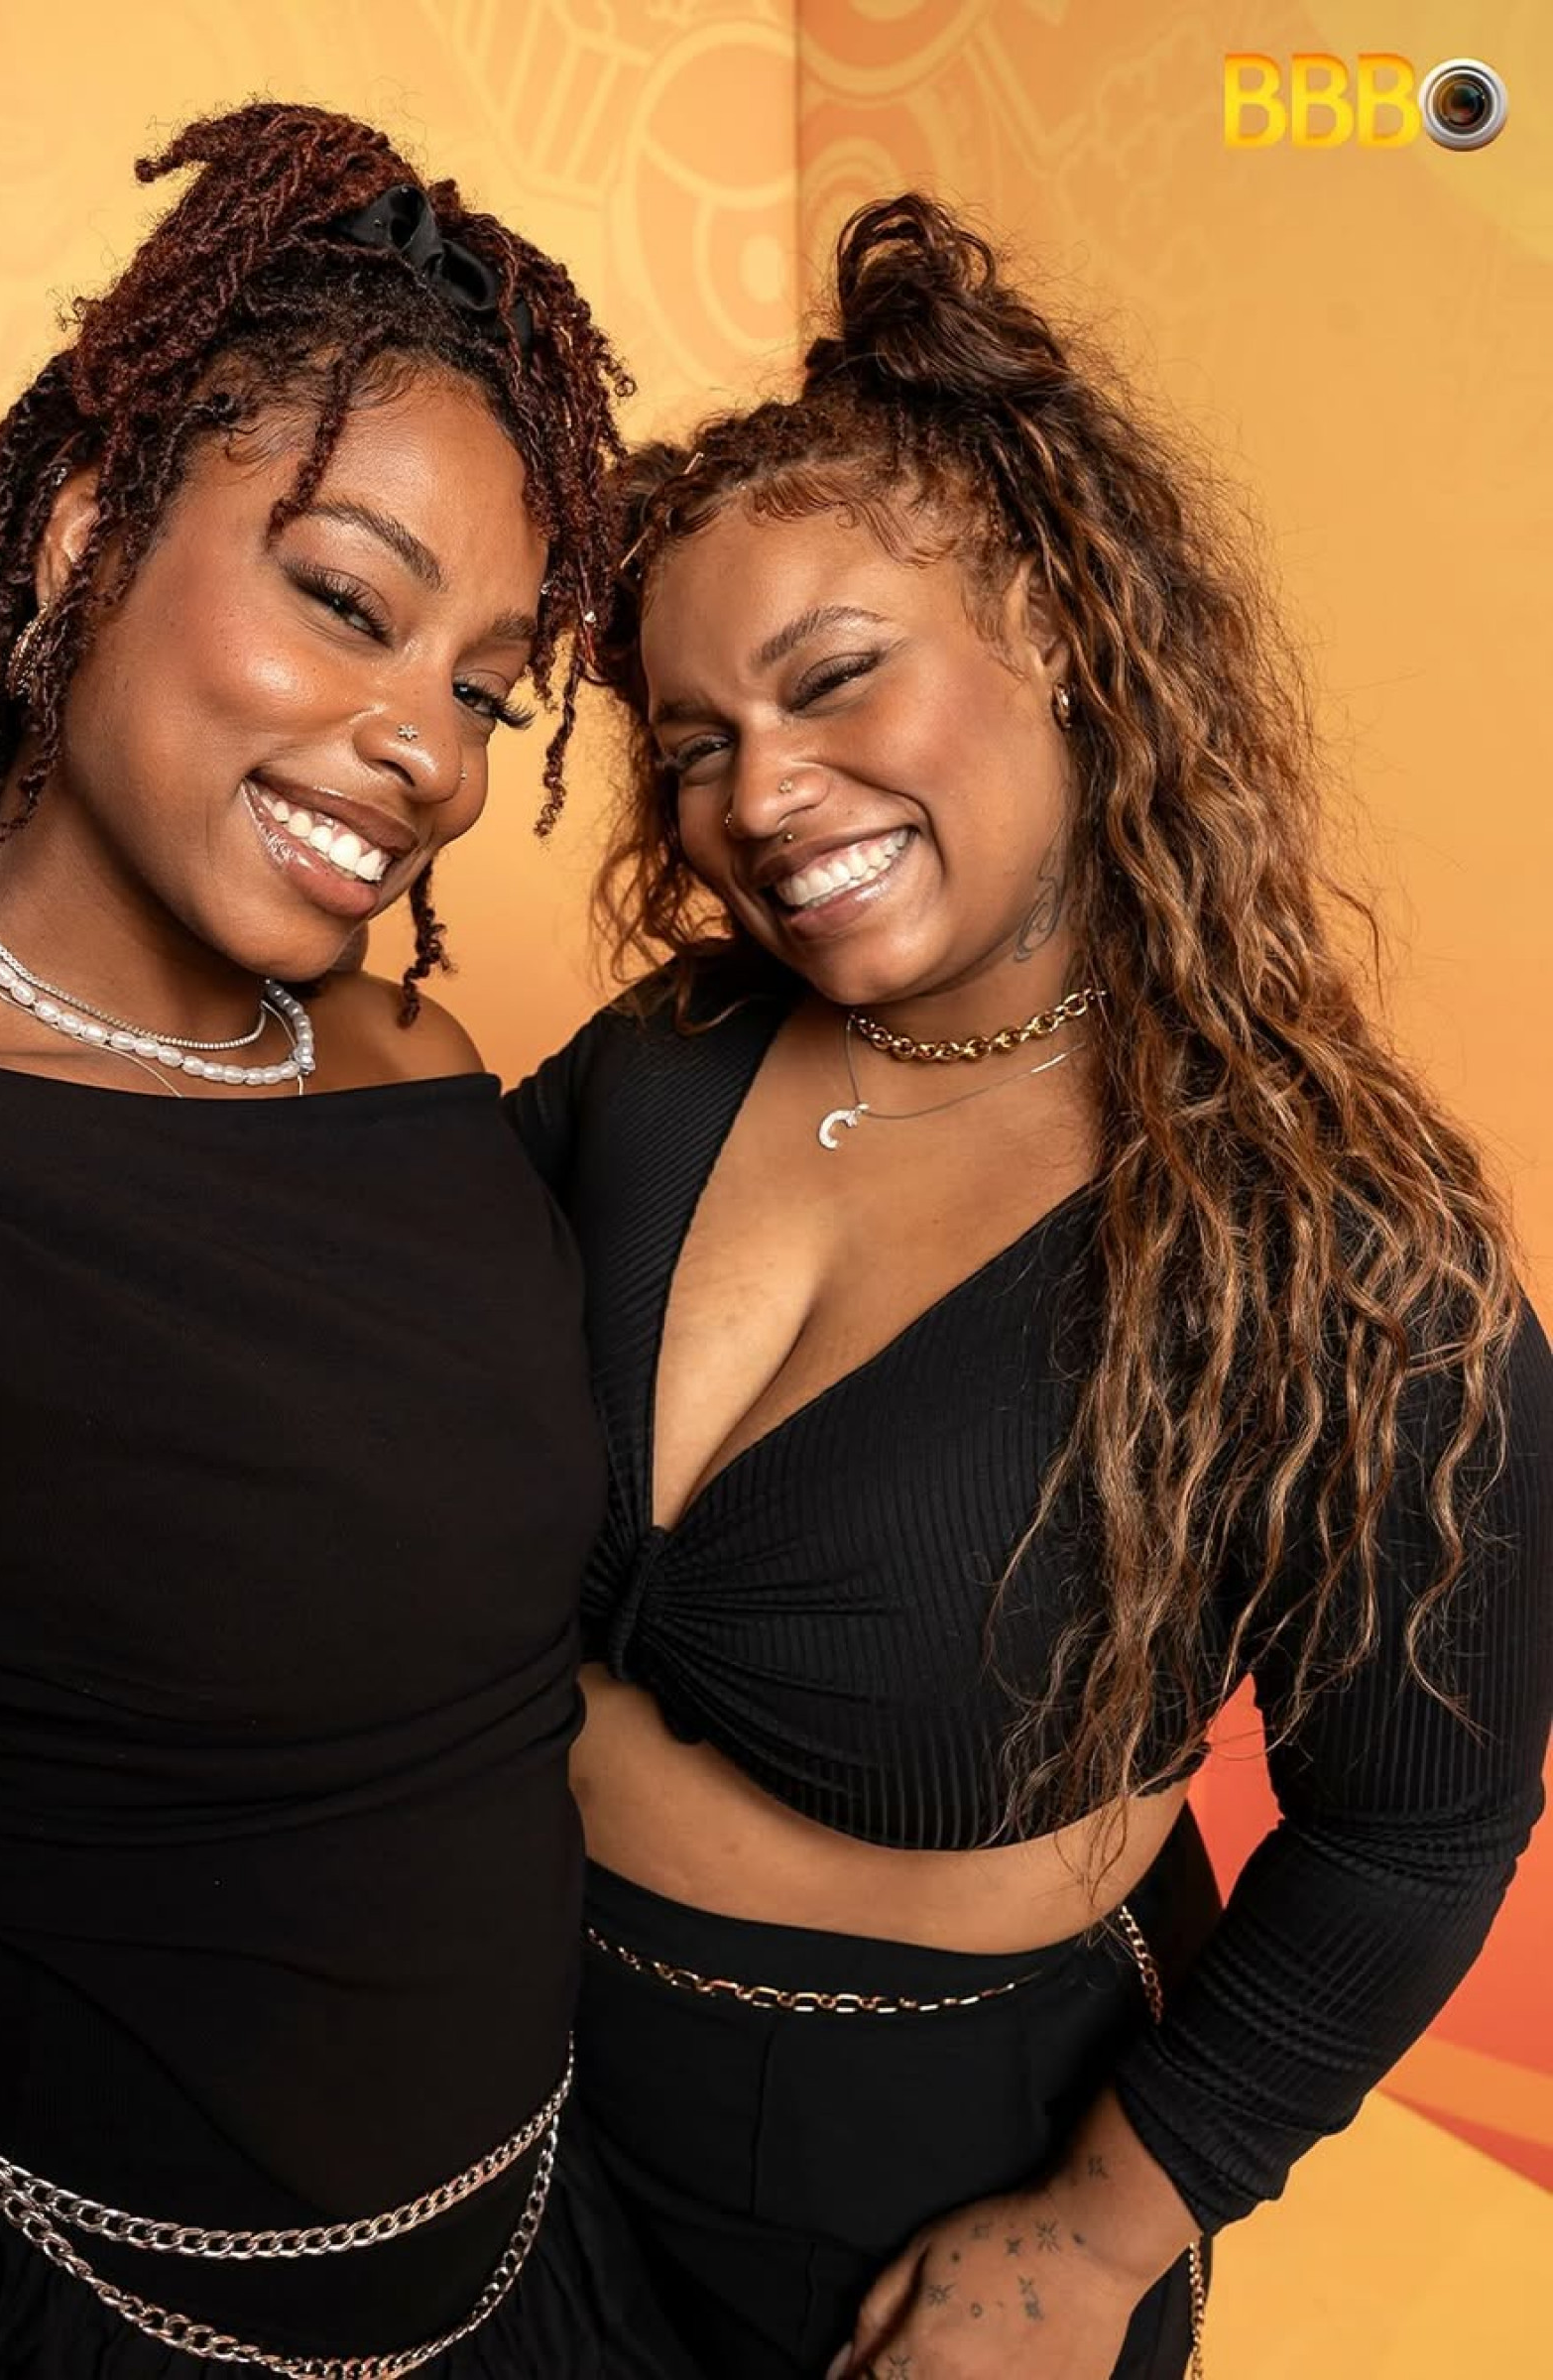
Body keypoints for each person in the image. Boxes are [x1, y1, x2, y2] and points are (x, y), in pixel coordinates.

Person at [0, 99, 701, 2380]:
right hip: (49, 2311)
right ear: (89, 530)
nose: (427, 751)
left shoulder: (414, 1068)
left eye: (482, 685)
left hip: (531, 2269)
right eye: (347, 602)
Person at [509, 193, 1553, 2380]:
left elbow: (1419, 1828)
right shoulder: (652, 1067)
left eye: (833, 678)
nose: (759, 794)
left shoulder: (1334, 1248)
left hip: (918, 2171)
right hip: (486, 2075)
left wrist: (1091, 2243)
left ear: (1057, 628)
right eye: (692, 742)